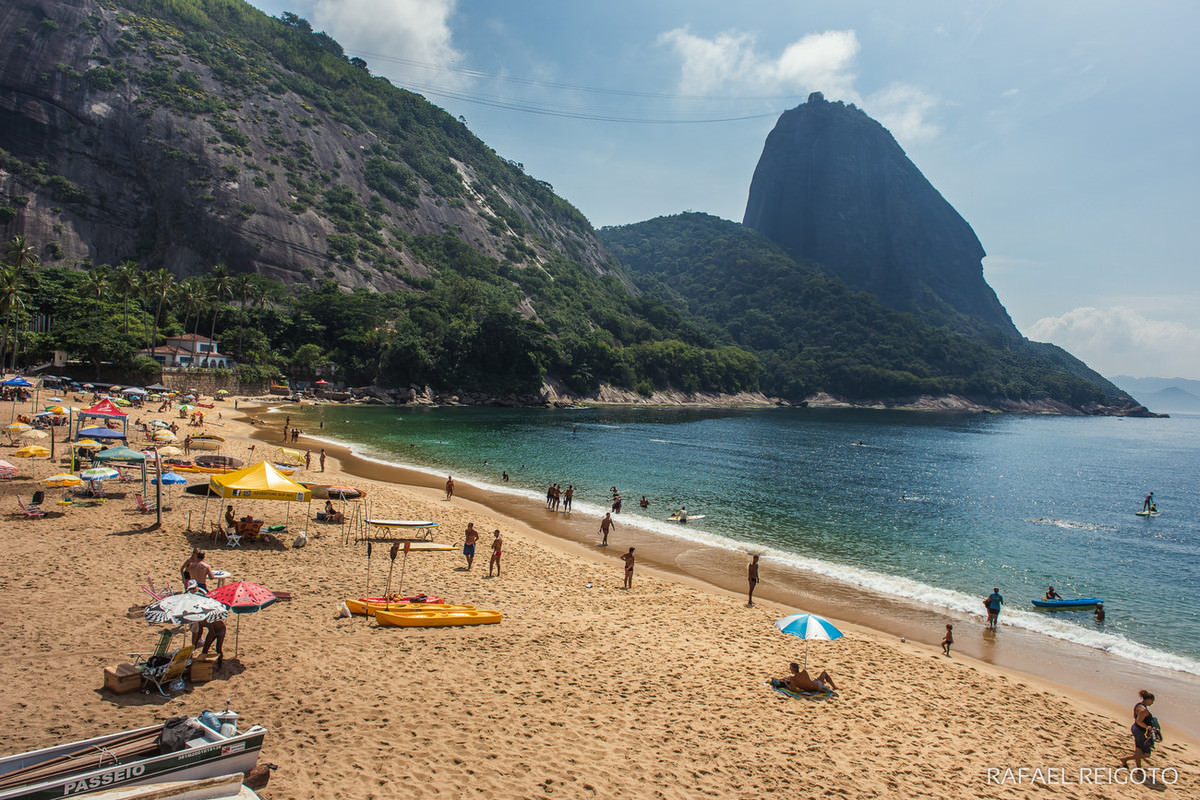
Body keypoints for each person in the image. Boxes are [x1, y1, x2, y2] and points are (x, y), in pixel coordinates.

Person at [1122, 690, 1159, 769]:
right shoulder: (1143, 710)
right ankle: (1125, 759)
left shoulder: (1138, 705)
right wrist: (1148, 727)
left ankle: (1138, 768)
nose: (1152, 703)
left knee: (1138, 750)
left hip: (1136, 728)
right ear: (1148, 699)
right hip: (1141, 731)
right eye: (1152, 701)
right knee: (1146, 754)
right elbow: (1139, 721)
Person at [773, 662, 839, 693]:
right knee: (824, 673)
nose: (789, 669)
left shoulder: (793, 679)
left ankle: (832, 686)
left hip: (812, 688)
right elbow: (807, 681)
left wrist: (786, 684)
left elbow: (793, 690)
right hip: (816, 686)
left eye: (790, 668)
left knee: (822, 676)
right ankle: (834, 686)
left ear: (792, 670)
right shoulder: (804, 672)